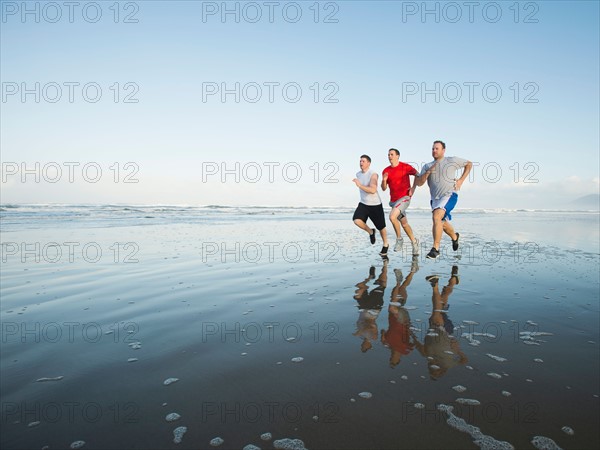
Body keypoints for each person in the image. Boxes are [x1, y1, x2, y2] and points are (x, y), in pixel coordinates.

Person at [414, 140, 472, 260]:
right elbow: (419, 183)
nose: (434, 151)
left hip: (449, 195)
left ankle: (435, 249)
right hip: (434, 199)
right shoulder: (427, 166)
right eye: (433, 149)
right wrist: (428, 172)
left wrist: (461, 180)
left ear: (443, 150)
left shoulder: (451, 161)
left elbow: (469, 164)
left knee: (436, 217)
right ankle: (455, 237)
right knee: (441, 223)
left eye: (437, 148)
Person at [414, 266, 468, 379]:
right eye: (437, 371)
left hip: (434, 327)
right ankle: (435, 284)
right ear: (442, 370)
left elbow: (417, 345)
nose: (435, 368)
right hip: (445, 330)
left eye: (432, 370)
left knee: (443, 299)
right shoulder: (449, 363)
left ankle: (453, 280)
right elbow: (464, 361)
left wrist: (410, 333)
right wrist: (457, 350)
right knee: (436, 312)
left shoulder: (426, 355)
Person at [381, 149, 420, 255]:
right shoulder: (386, 170)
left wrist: (413, 188)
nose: (389, 156)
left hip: (405, 198)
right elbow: (383, 188)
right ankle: (414, 242)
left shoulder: (405, 167)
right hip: (394, 201)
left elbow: (418, 175)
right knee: (404, 223)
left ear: (398, 156)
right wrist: (384, 180)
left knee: (392, 217)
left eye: (392, 154)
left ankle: (399, 239)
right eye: (388, 154)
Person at [353, 154, 390, 255]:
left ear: (369, 163)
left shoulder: (373, 174)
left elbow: (373, 190)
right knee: (356, 220)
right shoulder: (358, 174)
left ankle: (385, 244)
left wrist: (360, 185)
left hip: (375, 205)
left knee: (381, 227)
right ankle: (371, 232)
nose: (361, 163)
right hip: (364, 203)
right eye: (360, 161)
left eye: (363, 161)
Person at [353, 262, 387, 352]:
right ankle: (385, 265)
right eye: (364, 347)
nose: (363, 345)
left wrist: (360, 331)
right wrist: (362, 330)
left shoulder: (360, 336)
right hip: (373, 308)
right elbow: (371, 324)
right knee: (382, 285)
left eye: (362, 346)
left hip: (363, 308)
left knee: (359, 288)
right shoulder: (374, 337)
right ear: (369, 346)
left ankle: (370, 277)